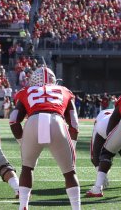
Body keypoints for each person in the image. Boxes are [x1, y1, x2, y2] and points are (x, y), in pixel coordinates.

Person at [10, 67, 80, 210]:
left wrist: (21, 141)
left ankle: (23, 206)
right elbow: (74, 122)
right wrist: (73, 143)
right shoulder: (64, 90)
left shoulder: (26, 91)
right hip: (57, 122)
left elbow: (13, 120)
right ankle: (76, 208)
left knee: (27, 168)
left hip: (33, 121)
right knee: (69, 172)